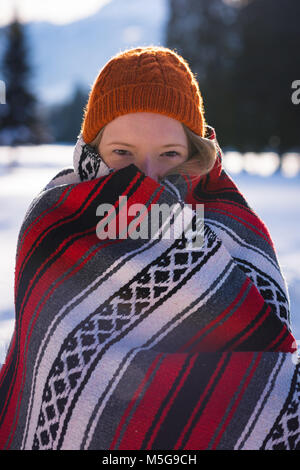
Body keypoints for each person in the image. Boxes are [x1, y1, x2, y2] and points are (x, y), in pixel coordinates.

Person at [0, 46, 299, 450]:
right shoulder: (54, 227)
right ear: (92, 152)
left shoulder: (234, 233)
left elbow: (275, 383)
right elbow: (39, 377)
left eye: (169, 155)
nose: (147, 178)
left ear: (196, 154)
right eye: (122, 153)